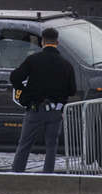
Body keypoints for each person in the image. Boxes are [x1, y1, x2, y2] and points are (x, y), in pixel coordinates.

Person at [10, 27, 76, 173]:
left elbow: (15, 77)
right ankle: (48, 177)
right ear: (57, 42)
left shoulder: (33, 60)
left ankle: (16, 175)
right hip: (55, 112)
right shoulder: (66, 65)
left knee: (25, 145)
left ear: (42, 42)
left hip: (35, 109)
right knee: (51, 147)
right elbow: (72, 90)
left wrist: (24, 92)